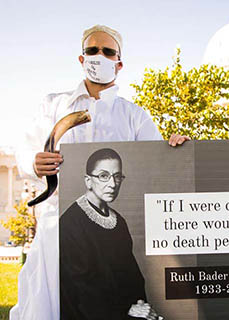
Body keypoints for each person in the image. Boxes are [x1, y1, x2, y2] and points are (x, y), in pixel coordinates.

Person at [12, 25, 188, 320]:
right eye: (92, 50)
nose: (99, 56)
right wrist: (34, 162)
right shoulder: (54, 105)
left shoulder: (134, 116)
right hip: (58, 228)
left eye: (108, 51)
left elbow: (157, 163)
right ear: (82, 59)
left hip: (110, 235)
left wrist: (175, 147)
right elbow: (27, 150)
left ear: (119, 63)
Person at [60, 148, 157, 319]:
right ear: (88, 181)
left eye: (117, 176)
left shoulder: (118, 221)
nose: (112, 184)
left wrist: (139, 305)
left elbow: (132, 276)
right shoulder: (71, 222)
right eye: (104, 176)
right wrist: (126, 308)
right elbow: (80, 285)